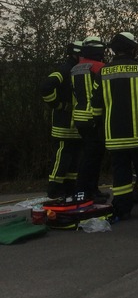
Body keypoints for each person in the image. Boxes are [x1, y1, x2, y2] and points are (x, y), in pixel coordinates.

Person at [90, 32, 138, 222]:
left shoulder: (103, 73)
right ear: (132, 48)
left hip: (114, 136)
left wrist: (97, 123)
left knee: (120, 174)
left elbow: (96, 103)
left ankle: (122, 210)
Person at [40, 40, 83, 200]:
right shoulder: (64, 71)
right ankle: (54, 188)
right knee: (62, 158)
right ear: (74, 54)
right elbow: (46, 87)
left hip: (76, 127)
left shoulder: (78, 71)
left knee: (73, 161)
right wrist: (57, 104)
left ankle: (69, 188)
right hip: (64, 126)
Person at [71, 36, 108, 203]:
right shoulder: (99, 67)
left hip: (79, 116)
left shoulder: (76, 68)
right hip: (93, 117)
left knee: (89, 154)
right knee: (92, 157)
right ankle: (86, 191)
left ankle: (91, 190)